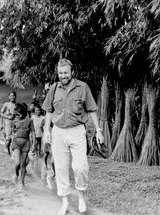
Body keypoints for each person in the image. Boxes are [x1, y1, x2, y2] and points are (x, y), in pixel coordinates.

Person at [42, 58, 104, 215]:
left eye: (66, 72)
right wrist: (46, 131)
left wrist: (98, 130)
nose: (63, 75)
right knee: (61, 168)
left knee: (80, 167)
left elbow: (91, 110)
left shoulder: (82, 87)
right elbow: (48, 110)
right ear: (58, 73)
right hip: (58, 131)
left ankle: (81, 196)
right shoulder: (54, 88)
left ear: (72, 72)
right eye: (60, 72)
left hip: (77, 131)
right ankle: (65, 202)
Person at [11, 103, 35, 189]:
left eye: (19, 114)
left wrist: (34, 144)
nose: (18, 116)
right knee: (17, 163)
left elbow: (33, 133)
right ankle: (16, 174)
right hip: (16, 142)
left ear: (24, 112)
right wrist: (11, 143)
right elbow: (13, 132)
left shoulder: (29, 121)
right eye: (17, 114)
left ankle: (22, 183)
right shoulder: (14, 121)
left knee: (23, 164)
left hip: (26, 143)